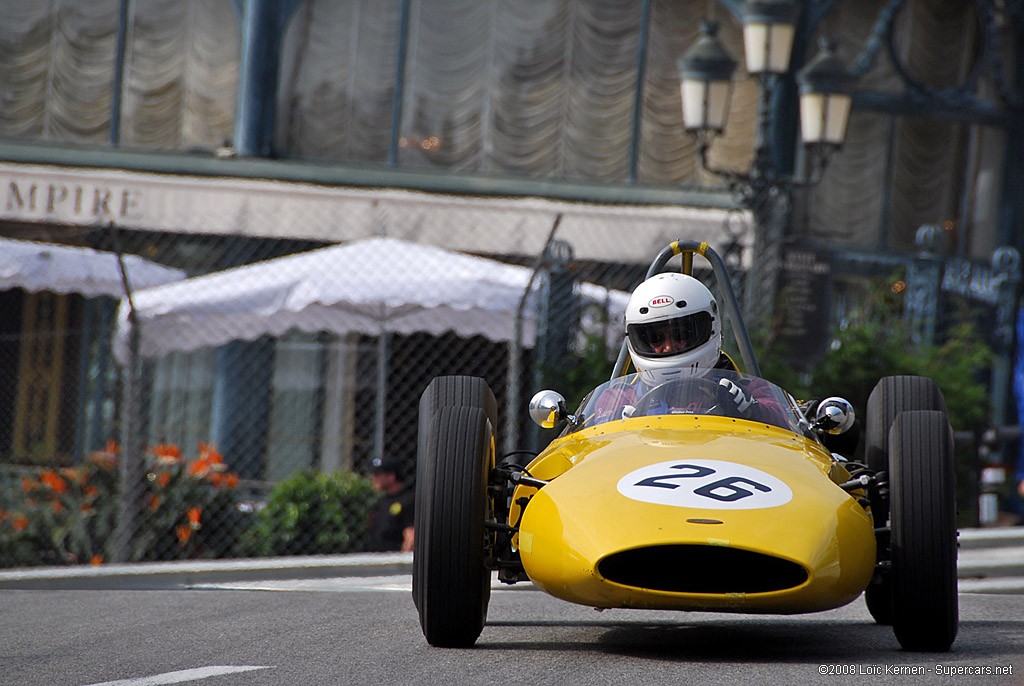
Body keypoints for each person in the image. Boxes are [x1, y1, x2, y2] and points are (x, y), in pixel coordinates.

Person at [597, 272, 788, 425]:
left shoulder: (750, 391)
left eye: (682, 335)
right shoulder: (619, 398)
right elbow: (595, 436)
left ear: (710, 329)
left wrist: (753, 410)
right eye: (655, 339)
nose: (669, 346)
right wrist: (619, 429)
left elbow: (786, 426)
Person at [366, 456, 415, 552]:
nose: (373, 478)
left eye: (377, 475)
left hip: (393, 559)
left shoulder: (408, 500)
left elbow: (411, 536)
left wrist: (400, 563)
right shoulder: (381, 502)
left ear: (391, 477)